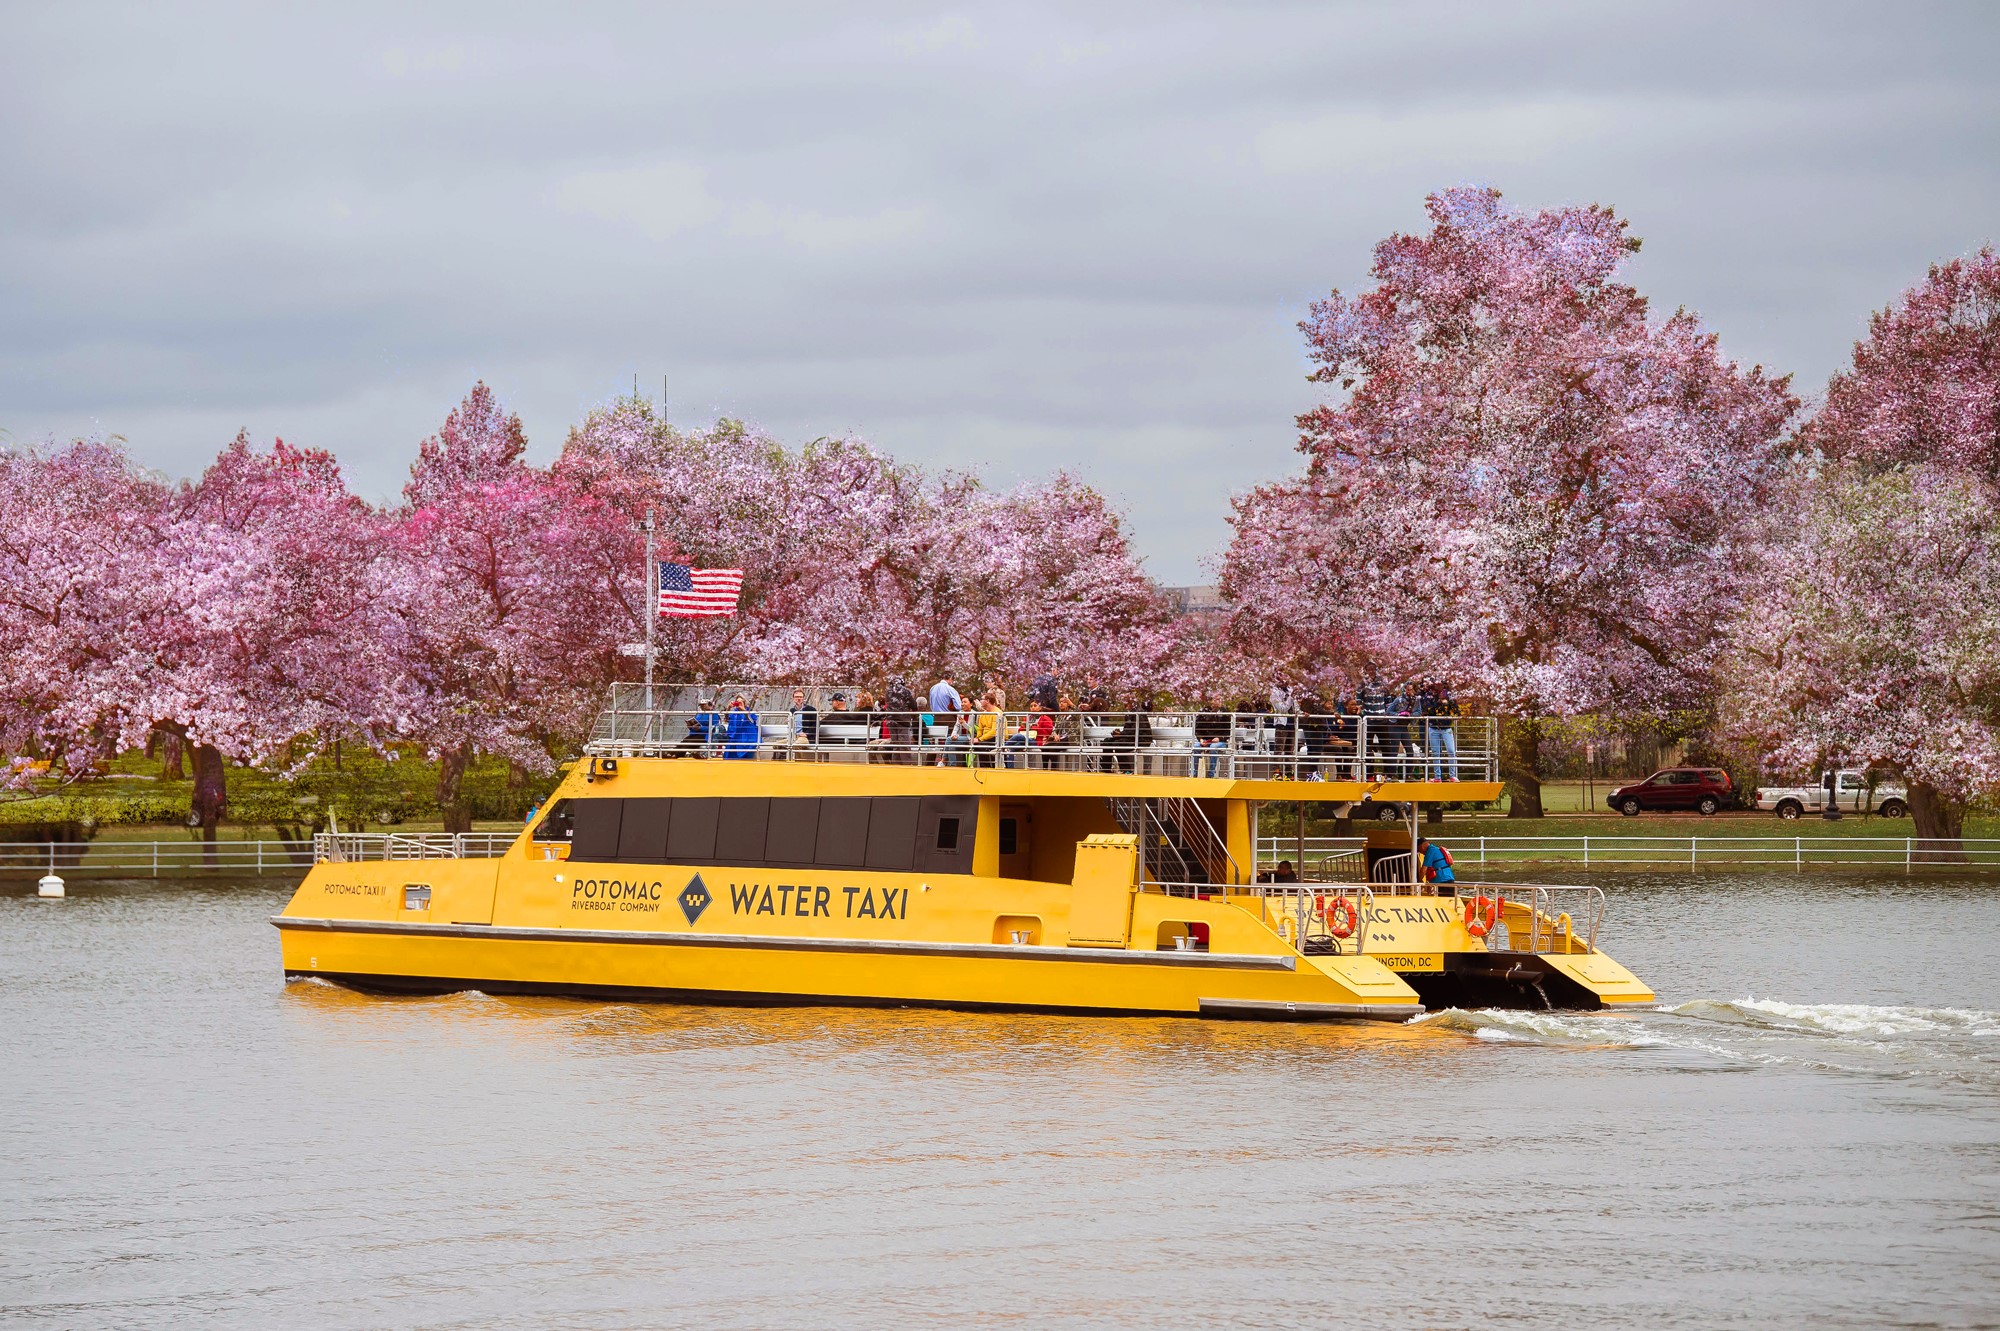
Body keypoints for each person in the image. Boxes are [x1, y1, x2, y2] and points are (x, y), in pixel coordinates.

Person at [1426, 683, 1460, 781]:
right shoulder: (1431, 699)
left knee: (1451, 751)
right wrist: (1438, 703)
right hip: (1434, 728)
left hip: (1446, 728)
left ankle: (1452, 775)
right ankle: (1437, 777)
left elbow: (1456, 712)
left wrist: (1447, 704)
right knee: (1436, 753)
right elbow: (1428, 712)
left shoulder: (1451, 700)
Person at [1194, 701, 1230, 778]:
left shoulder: (1225, 713)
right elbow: (1197, 729)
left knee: (1213, 747)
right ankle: (1194, 773)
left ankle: (1211, 774)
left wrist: (1219, 738)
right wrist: (1200, 739)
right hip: (1205, 740)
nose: (1215, 703)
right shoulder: (1204, 712)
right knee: (1195, 747)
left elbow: (1228, 731)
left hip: (1220, 741)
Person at [722, 695, 760, 759]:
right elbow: (727, 719)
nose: (738, 703)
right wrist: (728, 708)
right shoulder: (734, 712)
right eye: (737, 702)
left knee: (745, 746)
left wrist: (744, 710)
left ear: (744, 702)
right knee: (729, 751)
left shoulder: (749, 711)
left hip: (747, 735)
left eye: (740, 702)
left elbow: (751, 721)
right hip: (735, 735)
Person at [789, 688, 818, 752]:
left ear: (803, 698)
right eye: (796, 697)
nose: (798, 699)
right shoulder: (792, 711)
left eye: (800, 697)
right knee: (778, 745)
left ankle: (797, 762)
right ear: (793, 699)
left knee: (796, 745)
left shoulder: (811, 710)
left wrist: (807, 733)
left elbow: (816, 724)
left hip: (805, 737)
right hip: (794, 737)